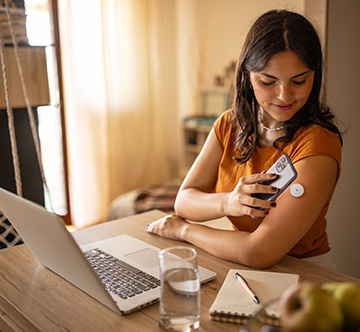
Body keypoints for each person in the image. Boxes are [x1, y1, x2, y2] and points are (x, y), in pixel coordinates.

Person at [145, 9, 342, 269]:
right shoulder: (229, 124)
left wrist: (183, 231)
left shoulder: (317, 145)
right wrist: (229, 201)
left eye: (299, 80)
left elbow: (258, 252)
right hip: (235, 259)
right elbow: (185, 200)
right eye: (268, 81)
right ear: (248, 76)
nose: (284, 95)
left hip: (301, 271)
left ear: (314, 76)